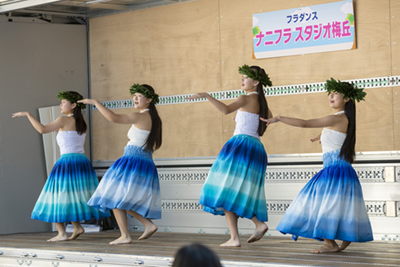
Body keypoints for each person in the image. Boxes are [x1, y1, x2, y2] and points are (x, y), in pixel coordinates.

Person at [261, 78, 373, 253]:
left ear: (347, 99)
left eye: (335, 93)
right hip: (339, 169)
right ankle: (339, 239)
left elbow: (305, 123)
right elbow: (334, 135)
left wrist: (280, 118)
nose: (331, 95)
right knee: (334, 205)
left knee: (320, 203)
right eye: (330, 93)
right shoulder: (342, 119)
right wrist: (321, 136)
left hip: (334, 170)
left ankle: (331, 244)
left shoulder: (337, 118)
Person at [189, 65, 273, 247]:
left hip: (240, 146)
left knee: (225, 188)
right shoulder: (262, 102)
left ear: (256, 82)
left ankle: (239, 235)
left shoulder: (245, 97)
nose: (242, 80)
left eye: (246, 77)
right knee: (234, 191)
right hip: (256, 147)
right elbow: (267, 120)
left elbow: (226, 109)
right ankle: (251, 227)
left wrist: (206, 95)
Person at [12, 91, 110, 242]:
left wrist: (28, 114)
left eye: (63, 102)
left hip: (67, 161)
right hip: (81, 162)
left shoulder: (63, 119)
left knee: (56, 194)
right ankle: (77, 227)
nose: (61, 105)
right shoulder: (81, 122)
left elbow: (42, 129)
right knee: (72, 195)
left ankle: (62, 233)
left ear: (73, 105)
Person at [78, 84, 162, 245]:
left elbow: (113, 118)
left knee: (112, 196)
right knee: (116, 198)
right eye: (134, 95)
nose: (135, 98)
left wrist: (96, 103)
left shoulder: (141, 116)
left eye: (139, 96)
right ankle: (143, 226)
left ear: (149, 100)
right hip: (143, 161)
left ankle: (133, 231)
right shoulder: (154, 119)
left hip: (132, 159)